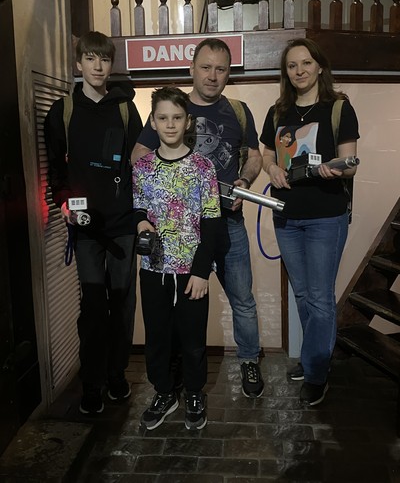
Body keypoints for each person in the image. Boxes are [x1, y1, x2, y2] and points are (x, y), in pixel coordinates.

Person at [131, 38, 265, 398]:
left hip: (229, 224)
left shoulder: (238, 111)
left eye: (221, 69)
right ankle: (178, 373)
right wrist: (177, 195)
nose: (212, 76)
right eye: (206, 67)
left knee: (242, 299)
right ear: (192, 68)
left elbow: (254, 156)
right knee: (180, 304)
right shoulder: (172, 106)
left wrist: (243, 181)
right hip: (184, 232)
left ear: (228, 73)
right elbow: (140, 156)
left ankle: (249, 360)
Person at [44, 31, 143, 414]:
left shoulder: (125, 109)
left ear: (110, 64)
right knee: (92, 307)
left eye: (104, 59)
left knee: (123, 304)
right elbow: (56, 171)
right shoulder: (62, 112)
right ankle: (92, 382)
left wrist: (142, 216)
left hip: (123, 225)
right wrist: (64, 204)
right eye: (90, 58)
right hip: (85, 228)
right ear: (78, 63)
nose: (98, 66)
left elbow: (139, 167)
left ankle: (117, 375)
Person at [260, 37, 360, 406]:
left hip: (325, 218)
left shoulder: (338, 108)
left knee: (319, 297)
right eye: (292, 65)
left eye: (305, 63)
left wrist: (334, 168)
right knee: (302, 294)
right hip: (286, 216)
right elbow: (266, 153)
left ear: (319, 66)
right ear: (286, 72)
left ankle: (317, 371)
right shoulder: (278, 112)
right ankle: (314, 357)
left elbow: (350, 163)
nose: (299, 70)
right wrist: (271, 168)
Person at [132, 86, 221, 430]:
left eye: (177, 117)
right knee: (158, 336)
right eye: (163, 118)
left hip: (191, 271)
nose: (170, 124)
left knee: (192, 337)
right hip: (153, 269)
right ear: (153, 122)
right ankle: (164, 392)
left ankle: (195, 393)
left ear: (188, 122)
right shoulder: (143, 167)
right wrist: (141, 221)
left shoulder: (203, 167)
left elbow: (212, 222)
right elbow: (138, 207)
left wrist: (201, 271)